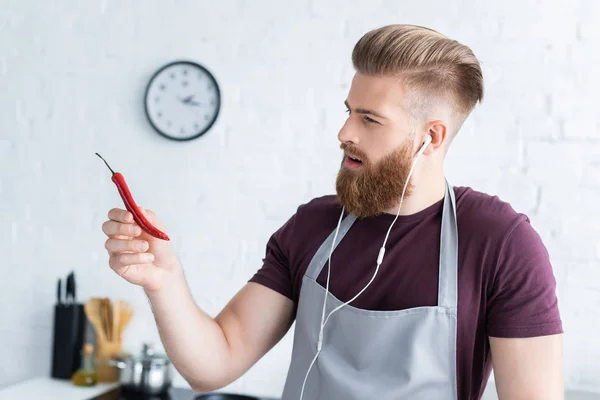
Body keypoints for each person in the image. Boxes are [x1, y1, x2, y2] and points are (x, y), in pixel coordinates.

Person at [101, 24, 564, 400]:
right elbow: (215, 362)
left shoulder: (500, 245)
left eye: (369, 119)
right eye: (348, 111)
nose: (344, 131)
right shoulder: (314, 227)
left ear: (432, 138)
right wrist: (165, 282)